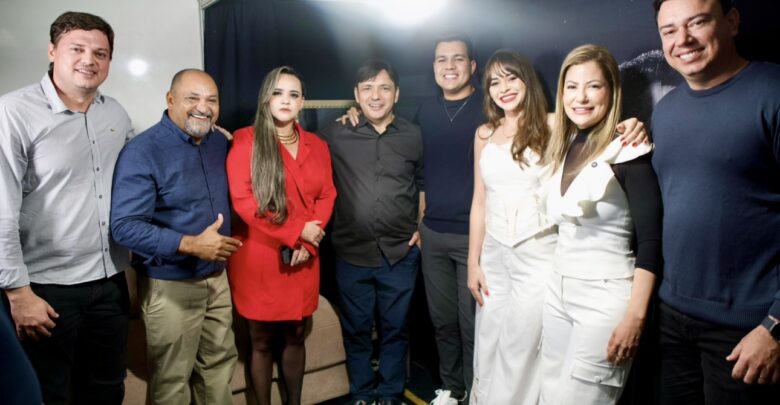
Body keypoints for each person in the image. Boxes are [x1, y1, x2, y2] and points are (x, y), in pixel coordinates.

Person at [0, 11, 133, 404]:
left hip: (109, 282)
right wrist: (18, 293)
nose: (89, 60)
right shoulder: (13, 112)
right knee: (48, 393)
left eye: (100, 53)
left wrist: (207, 133)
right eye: (77, 49)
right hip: (44, 290)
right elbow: (1, 210)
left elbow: (145, 168)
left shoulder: (115, 112)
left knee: (107, 389)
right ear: (52, 51)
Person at [652, 0, 780, 403]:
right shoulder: (665, 111)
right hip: (671, 322)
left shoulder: (773, 91)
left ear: (732, 21)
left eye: (697, 23)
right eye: (669, 31)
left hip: (749, 331)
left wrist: (775, 326)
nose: (683, 39)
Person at [539, 44, 662, 405]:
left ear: (612, 91)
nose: (581, 97)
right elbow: (521, 115)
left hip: (605, 299)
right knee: (549, 396)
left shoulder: (629, 150)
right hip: (557, 293)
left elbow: (652, 243)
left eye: (593, 86)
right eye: (571, 86)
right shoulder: (564, 143)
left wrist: (635, 318)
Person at [111, 69, 240, 405]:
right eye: (192, 98)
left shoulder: (218, 143)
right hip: (170, 285)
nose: (204, 107)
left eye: (212, 100)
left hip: (217, 279)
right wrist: (190, 244)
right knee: (172, 382)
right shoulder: (142, 151)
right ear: (170, 100)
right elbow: (125, 226)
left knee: (218, 371)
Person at [226, 66, 336, 405]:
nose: (285, 100)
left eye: (293, 94)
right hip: (261, 254)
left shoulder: (318, 145)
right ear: (266, 98)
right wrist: (296, 231)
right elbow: (244, 201)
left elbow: (327, 195)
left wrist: (308, 239)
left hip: (304, 255)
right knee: (260, 341)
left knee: (296, 334)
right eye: (278, 92)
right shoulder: (245, 139)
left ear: (302, 102)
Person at [319, 60, 424, 405]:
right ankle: (362, 393)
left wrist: (421, 225)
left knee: (396, 328)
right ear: (356, 94)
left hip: (400, 253)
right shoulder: (335, 133)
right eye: (367, 88)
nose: (375, 96)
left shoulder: (413, 135)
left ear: (397, 93)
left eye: (384, 88)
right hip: (352, 252)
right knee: (357, 329)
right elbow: (293, 148)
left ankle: (391, 392)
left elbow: (422, 183)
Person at [466, 50, 557, 405]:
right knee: (488, 338)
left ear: (527, 80)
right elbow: (480, 202)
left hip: (537, 254)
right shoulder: (484, 134)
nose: (503, 88)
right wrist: (473, 263)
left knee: (522, 344)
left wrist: (630, 125)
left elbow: (600, 124)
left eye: (511, 78)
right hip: (493, 256)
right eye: (494, 82)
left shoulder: (553, 124)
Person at [414, 34, 481, 405]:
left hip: (475, 237)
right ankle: (453, 390)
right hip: (433, 235)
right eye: (442, 59)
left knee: (473, 326)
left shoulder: (489, 105)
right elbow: (420, 172)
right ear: (434, 67)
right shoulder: (425, 110)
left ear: (472, 66)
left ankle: (476, 392)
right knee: (443, 322)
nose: (450, 66)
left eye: (458, 58)